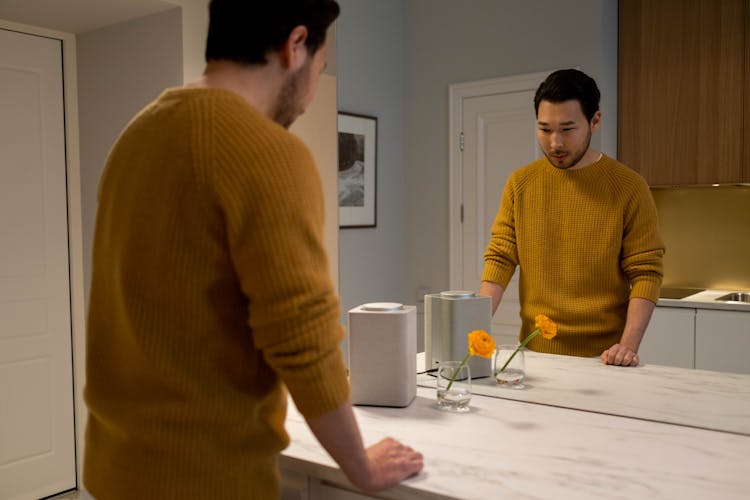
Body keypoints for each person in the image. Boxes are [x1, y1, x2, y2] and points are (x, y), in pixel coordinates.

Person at [83, 1, 422, 498]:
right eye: (320, 69)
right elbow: (303, 338)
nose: (308, 99)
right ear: (295, 45)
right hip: (206, 481)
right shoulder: (268, 153)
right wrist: (361, 467)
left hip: (113, 471)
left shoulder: (136, 136)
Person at [479, 68, 664, 367]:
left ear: (595, 121)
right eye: (545, 129)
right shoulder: (520, 183)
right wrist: (474, 328)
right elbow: (500, 257)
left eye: (567, 129)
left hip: (605, 357)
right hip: (533, 353)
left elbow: (646, 272)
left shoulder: (629, 187)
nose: (555, 143)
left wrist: (627, 347)